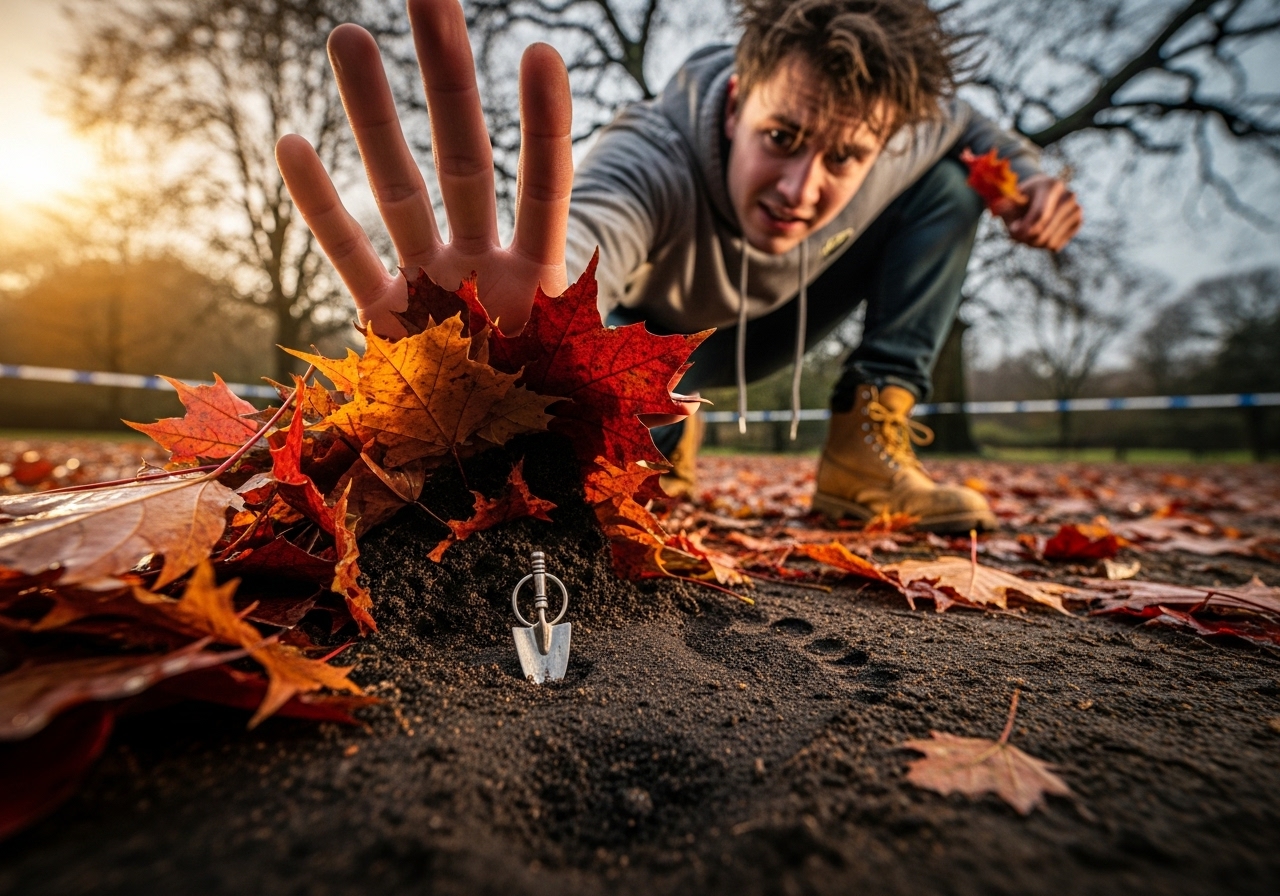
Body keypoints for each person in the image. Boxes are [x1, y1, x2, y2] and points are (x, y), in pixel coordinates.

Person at [276, 0, 1082, 533]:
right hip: (662, 331)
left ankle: (865, 445)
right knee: (599, 341)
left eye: (845, 157)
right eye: (784, 139)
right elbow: (586, 233)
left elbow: (970, 124)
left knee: (950, 189)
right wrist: (508, 334)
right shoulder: (648, 158)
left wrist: (1032, 174)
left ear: (884, 139)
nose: (802, 190)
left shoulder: (910, 129)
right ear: (738, 101)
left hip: (778, 327)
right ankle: (664, 425)